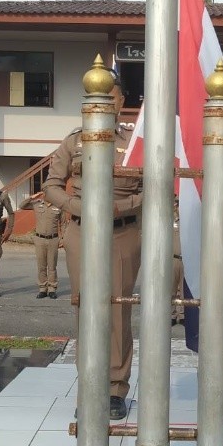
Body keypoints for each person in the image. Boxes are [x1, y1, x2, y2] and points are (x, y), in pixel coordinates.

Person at [43, 69, 142, 421]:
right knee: (86, 308)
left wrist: (120, 208)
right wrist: (76, 206)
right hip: (82, 231)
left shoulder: (136, 142)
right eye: (94, 98)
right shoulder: (74, 141)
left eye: (109, 97)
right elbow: (51, 185)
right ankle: (89, 387)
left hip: (122, 233)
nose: (102, 104)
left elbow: (154, 187)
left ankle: (115, 389)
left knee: (117, 310)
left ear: (121, 101)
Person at [19, 191, 65, 299]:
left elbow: (63, 224)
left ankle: (52, 288)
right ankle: (42, 289)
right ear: (43, 194)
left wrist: (63, 238)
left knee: (52, 266)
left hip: (53, 239)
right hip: (40, 239)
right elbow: (22, 205)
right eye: (46, 193)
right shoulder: (36, 204)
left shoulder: (58, 206)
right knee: (41, 266)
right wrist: (32, 197)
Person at [171, 199, 185, 326]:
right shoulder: (171, 220)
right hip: (173, 258)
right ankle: (172, 314)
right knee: (171, 288)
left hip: (184, 259)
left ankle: (182, 314)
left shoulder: (185, 221)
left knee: (183, 289)